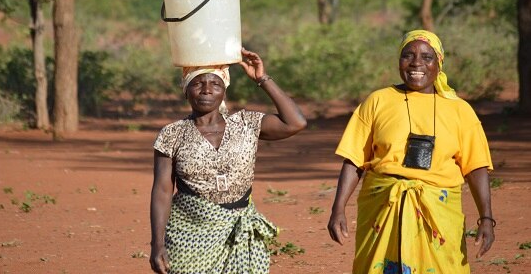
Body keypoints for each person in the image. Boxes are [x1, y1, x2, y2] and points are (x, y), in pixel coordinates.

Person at [327, 29, 495, 273]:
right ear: (399, 60)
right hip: (382, 209)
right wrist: (338, 209)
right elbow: (354, 160)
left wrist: (487, 219)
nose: (417, 63)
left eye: (427, 57)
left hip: (438, 212)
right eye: (408, 55)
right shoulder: (378, 101)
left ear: (439, 63)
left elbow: (476, 167)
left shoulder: (460, 110)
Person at [149, 47, 307, 274]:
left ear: (224, 90)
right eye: (197, 83)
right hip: (189, 234)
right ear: (186, 91)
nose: (206, 90)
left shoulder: (246, 123)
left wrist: (262, 79)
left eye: (215, 84)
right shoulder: (172, 134)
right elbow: (162, 190)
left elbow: (296, 123)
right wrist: (157, 244)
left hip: (240, 232)